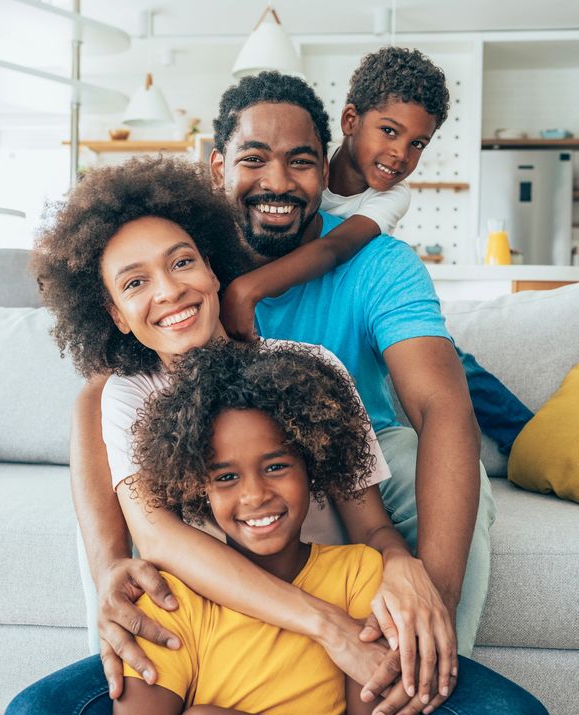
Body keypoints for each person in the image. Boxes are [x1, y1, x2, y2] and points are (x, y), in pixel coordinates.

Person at [0, 155, 559, 715]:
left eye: (182, 263)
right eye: (134, 284)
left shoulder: (307, 367)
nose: (170, 291)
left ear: (212, 266)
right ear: (116, 314)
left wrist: (402, 566)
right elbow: (159, 542)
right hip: (213, 648)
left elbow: (371, 522)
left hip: (339, 646)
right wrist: (329, 629)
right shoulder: (124, 397)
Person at [110, 339, 413, 715]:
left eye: (275, 466)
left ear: (312, 467)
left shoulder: (360, 576)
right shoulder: (169, 603)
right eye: (226, 476)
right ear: (196, 487)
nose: (254, 496)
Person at [219, 47, 533, 454]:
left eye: (417, 142)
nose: (400, 154)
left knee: (452, 366)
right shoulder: (307, 161)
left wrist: (248, 289)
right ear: (350, 121)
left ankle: (528, 438)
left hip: (359, 292)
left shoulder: (390, 197)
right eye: (389, 131)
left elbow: (333, 248)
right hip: (318, 300)